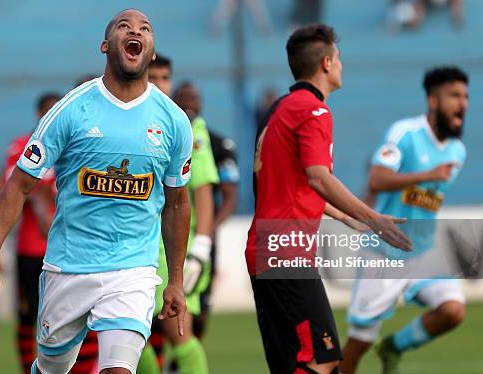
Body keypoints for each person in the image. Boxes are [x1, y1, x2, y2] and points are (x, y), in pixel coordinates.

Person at [0, 9, 193, 374]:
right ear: (106, 45)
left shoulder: (173, 121)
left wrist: (177, 282)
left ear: (151, 51)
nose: (135, 31)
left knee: (118, 369)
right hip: (69, 267)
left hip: (133, 269)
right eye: (124, 26)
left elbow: (178, 203)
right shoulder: (72, 110)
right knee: (53, 367)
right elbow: (19, 185)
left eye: (145, 29)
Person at [245, 24, 411, 374]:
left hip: (266, 244)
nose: (341, 66)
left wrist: (344, 216)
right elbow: (318, 177)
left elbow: (291, 184)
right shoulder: (313, 111)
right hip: (286, 250)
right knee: (325, 360)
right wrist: (372, 218)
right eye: (339, 59)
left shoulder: (281, 109)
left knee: (296, 363)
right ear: (325, 63)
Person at [340, 66, 469, 374]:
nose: (462, 103)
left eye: (465, 96)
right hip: (383, 255)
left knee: (453, 311)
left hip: (424, 253)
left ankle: (394, 347)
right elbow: (377, 178)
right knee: (357, 345)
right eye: (454, 95)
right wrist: (427, 175)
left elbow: (424, 200)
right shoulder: (405, 133)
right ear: (433, 100)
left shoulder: (457, 150)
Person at [5, 93, 99, 374]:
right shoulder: (22, 146)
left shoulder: (81, 144)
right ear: (39, 115)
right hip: (32, 248)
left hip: (71, 249)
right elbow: (19, 185)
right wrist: (42, 207)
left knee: (84, 316)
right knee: (29, 315)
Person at [139, 61, 216, 374]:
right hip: (136, 243)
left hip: (171, 248)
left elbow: (203, 192)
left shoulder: (186, 125)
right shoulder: (131, 119)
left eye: (165, 78)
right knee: (128, 335)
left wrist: (202, 245)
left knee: (179, 332)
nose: (159, 84)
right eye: (152, 77)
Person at [194, 128, 240, 339]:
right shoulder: (165, 130)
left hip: (201, 237)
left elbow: (230, 194)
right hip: (165, 237)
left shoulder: (217, 145)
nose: (188, 106)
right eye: (183, 99)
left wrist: (210, 229)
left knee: (201, 308)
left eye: (193, 99)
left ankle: (179, 365)